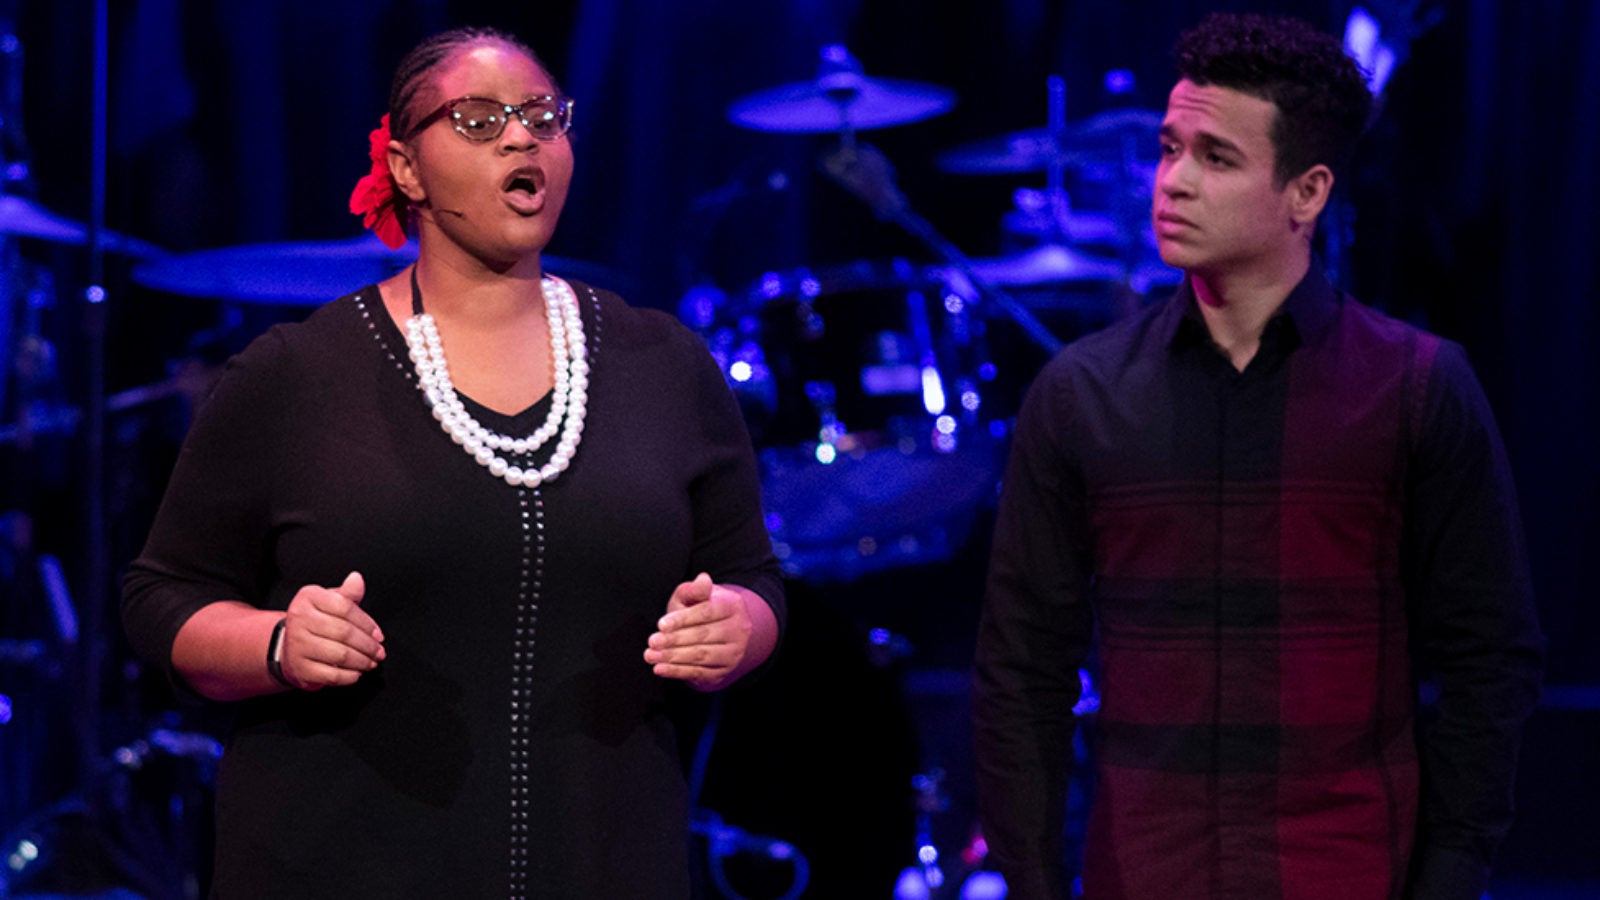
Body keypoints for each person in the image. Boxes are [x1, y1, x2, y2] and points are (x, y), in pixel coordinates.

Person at [122, 26, 783, 898]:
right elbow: (160, 598)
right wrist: (278, 641)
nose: (522, 138)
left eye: (544, 117)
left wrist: (737, 625)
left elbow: (754, 581)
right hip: (345, 867)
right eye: (478, 120)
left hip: (603, 863)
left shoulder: (662, 364)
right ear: (404, 168)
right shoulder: (296, 374)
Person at [973, 12, 1542, 900]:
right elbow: (1022, 670)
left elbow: (1488, 656)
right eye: (1169, 148)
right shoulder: (1080, 395)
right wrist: (1031, 881)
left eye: (1216, 158)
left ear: (1307, 193)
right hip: (1144, 872)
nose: (1172, 182)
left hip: (1349, 872)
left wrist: (1450, 875)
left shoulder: (1418, 387)